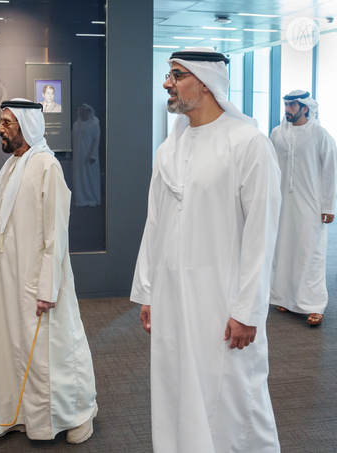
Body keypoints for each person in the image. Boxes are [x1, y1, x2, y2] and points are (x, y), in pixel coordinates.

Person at [131, 48, 282, 452]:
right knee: (174, 387)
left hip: (222, 301)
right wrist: (148, 291)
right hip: (173, 297)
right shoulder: (169, 148)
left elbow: (261, 235)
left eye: (176, 75)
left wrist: (247, 310)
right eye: (169, 75)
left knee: (232, 399)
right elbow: (155, 223)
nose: (167, 83)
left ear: (204, 82)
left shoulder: (248, 143)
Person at [0, 99, 97, 444]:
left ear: (27, 127)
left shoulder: (47, 166)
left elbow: (56, 235)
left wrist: (47, 287)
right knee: (13, 344)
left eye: (7, 123)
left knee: (57, 348)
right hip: (9, 278)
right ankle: (20, 414)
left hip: (42, 280)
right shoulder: (12, 166)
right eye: (1, 122)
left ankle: (79, 414)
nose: (0, 129)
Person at [270, 90, 336, 326]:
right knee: (283, 249)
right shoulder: (277, 133)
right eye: (286, 105)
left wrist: (328, 205)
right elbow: (271, 167)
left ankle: (314, 304)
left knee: (311, 252)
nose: (287, 110)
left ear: (305, 108)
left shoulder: (321, 135)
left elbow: (330, 172)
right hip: (281, 204)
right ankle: (284, 297)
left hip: (311, 204)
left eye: (292, 106)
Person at [71, 104, 101, 207]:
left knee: (90, 178)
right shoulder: (76, 124)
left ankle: (92, 199)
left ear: (88, 112)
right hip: (78, 157)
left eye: (84, 110)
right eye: (81, 110)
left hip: (89, 157)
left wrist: (93, 155)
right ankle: (81, 199)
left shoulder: (94, 125)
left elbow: (96, 141)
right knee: (79, 177)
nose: (82, 112)